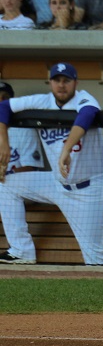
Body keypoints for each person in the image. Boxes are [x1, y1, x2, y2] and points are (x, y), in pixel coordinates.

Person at [0, 63, 103, 266]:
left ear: (75, 83)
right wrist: (4, 142)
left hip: (89, 190)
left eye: (66, 80)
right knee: (6, 185)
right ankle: (21, 250)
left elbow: (87, 113)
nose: (61, 85)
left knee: (96, 259)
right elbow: (4, 107)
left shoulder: (85, 98)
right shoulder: (42, 100)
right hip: (56, 183)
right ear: (50, 82)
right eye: (57, 80)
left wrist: (66, 149)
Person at [0, 81, 43, 263]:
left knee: (5, 185)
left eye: (4, 98)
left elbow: (31, 167)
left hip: (19, 186)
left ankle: (20, 251)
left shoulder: (23, 128)